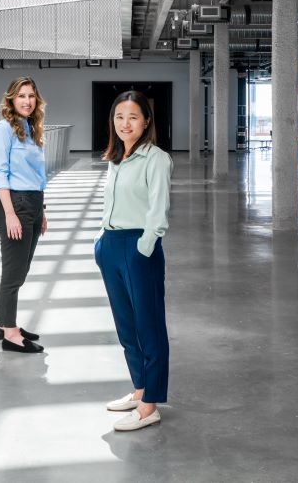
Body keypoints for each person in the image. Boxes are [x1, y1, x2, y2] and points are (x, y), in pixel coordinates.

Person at [95, 90, 173, 432]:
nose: (125, 123)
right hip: (111, 246)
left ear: (146, 121)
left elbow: (159, 210)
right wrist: (101, 240)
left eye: (133, 117)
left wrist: (145, 246)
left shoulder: (156, 159)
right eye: (119, 117)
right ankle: (140, 388)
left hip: (138, 248)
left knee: (148, 326)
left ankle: (149, 405)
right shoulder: (116, 158)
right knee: (126, 326)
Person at [0, 77, 48, 354]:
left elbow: (37, 175)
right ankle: (10, 334)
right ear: (11, 99)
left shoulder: (31, 129)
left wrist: (42, 211)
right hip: (15, 205)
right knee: (13, 274)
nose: (27, 101)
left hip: (33, 204)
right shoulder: (3, 129)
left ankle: (5, 323)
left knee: (20, 272)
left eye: (31, 96)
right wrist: (10, 214)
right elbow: (0, 174)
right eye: (21, 95)